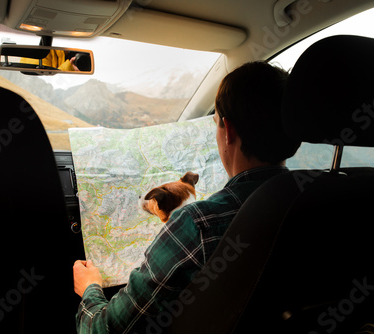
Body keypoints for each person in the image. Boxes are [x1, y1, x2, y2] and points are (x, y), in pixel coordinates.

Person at [72, 61, 301, 333]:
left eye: (216, 123)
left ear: (228, 131)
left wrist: (90, 289)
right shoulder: (329, 198)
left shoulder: (197, 224)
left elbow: (107, 330)